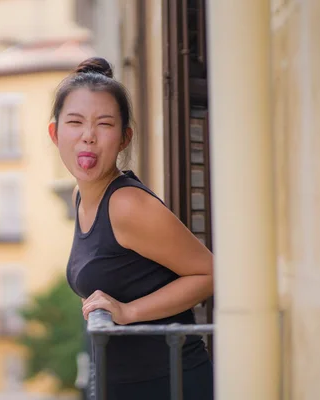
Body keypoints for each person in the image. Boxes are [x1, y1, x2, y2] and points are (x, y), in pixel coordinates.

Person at [48, 57, 214, 400]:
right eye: (75, 122)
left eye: (104, 124)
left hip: (171, 384)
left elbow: (210, 274)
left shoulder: (126, 205)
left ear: (125, 138)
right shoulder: (83, 195)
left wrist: (128, 312)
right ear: (55, 133)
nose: (88, 137)